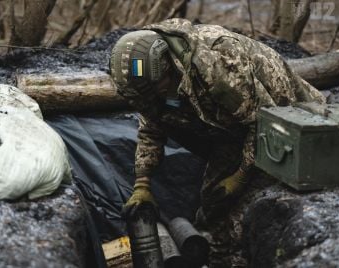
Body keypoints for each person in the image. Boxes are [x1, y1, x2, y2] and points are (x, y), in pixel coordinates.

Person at [109, 18, 325, 222]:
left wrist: (240, 177)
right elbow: (151, 126)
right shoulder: (151, 85)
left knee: (255, 207)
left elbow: (261, 122)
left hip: (289, 121)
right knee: (215, 201)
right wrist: (142, 183)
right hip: (229, 128)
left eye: (153, 92)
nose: (149, 99)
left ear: (167, 68)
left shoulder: (217, 64)